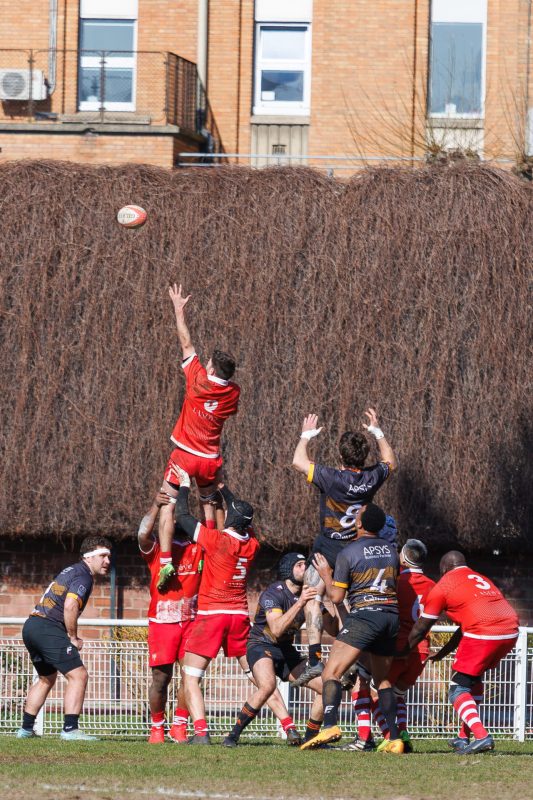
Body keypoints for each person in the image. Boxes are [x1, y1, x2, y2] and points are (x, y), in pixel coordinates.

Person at [291, 408, 398, 686]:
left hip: (328, 544)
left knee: (313, 595)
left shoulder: (332, 478)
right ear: (363, 457)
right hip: (353, 548)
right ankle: (348, 658)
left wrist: (306, 436)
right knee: (345, 603)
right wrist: (378, 431)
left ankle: (315, 659)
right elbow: (390, 461)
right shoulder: (371, 478)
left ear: (340, 456)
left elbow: (298, 461)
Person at [300, 503, 404, 753]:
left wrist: (326, 573)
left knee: (331, 673)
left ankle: (331, 725)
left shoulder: (350, 552)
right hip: (390, 617)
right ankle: (394, 738)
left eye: (356, 516)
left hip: (365, 616)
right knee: (383, 681)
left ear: (359, 524)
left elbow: (336, 597)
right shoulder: (391, 551)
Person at [157, 283, 240, 591]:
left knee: (168, 503)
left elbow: (186, 342)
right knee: (208, 502)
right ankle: (206, 552)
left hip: (184, 454)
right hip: (209, 459)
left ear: (210, 367)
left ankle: (166, 563)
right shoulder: (233, 393)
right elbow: (225, 409)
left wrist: (178, 309)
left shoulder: (197, 379)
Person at [407, 550, 519, 755]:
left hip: (483, 632)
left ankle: (482, 736)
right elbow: (463, 626)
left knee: (457, 689)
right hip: (510, 630)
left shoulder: (444, 586)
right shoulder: (480, 578)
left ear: (444, 569)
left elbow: (422, 626)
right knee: (472, 681)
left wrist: (404, 650)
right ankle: (462, 736)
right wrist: (442, 652)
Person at [222, 553, 337, 748]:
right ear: (288, 570)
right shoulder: (274, 593)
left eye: (305, 565)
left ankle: (311, 735)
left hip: (285, 650)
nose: (305, 568)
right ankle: (232, 736)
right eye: (299, 565)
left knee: (326, 686)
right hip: (261, 645)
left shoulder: (309, 594)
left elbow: (333, 629)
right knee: (267, 686)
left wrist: (324, 599)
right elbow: (275, 630)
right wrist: (300, 602)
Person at [16, 536, 111, 740]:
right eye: (103, 556)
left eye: (109, 556)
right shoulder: (84, 576)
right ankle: (70, 730)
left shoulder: (71, 570)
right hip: (48, 627)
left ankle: (24, 731)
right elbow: (70, 606)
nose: (107, 561)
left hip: (32, 625)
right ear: (89, 557)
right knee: (79, 675)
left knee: (45, 679)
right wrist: (73, 637)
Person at [346, 539, 435, 752]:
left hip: (396, 647)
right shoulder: (433, 585)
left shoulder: (395, 582)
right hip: (420, 651)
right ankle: (402, 733)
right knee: (398, 694)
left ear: (402, 557)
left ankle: (378, 737)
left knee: (371, 690)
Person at [138, 491, 203, 743]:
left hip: (191, 621)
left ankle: (180, 725)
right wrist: (156, 505)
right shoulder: (157, 551)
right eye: (171, 518)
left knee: (190, 676)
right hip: (162, 623)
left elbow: (217, 530)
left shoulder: (198, 548)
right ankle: (157, 728)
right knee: (160, 679)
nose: (174, 521)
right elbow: (142, 534)